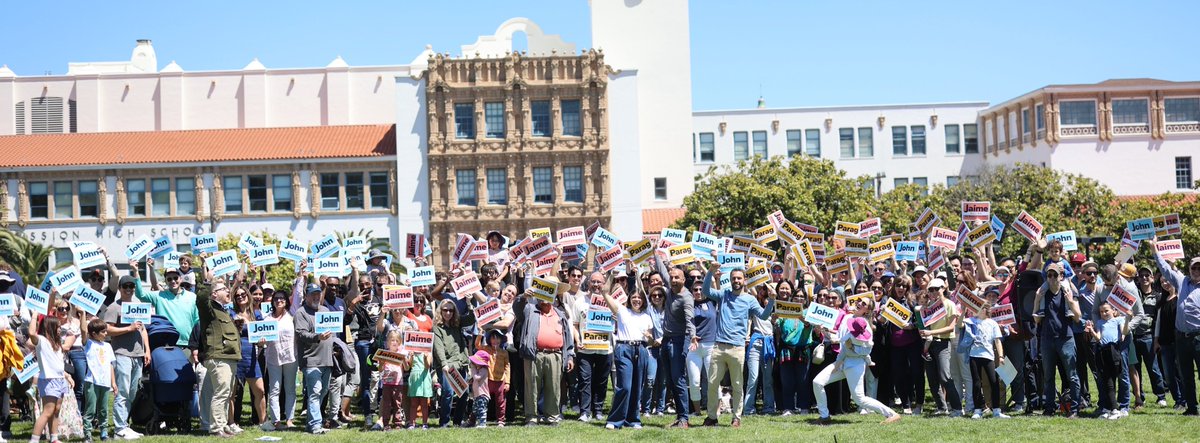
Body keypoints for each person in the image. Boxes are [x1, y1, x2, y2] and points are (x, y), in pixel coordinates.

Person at [700, 262, 775, 428]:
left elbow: (763, 316)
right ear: (730, 280)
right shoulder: (724, 294)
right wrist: (710, 271)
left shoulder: (750, 300)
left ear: (744, 280)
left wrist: (771, 300)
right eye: (733, 278)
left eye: (739, 278)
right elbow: (706, 291)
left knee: (737, 384)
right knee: (712, 383)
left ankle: (736, 417)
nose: (736, 281)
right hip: (719, 346)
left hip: (737, 348)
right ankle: (712, 417)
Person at [812, 296, 901, 424]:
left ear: (867, 310)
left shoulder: (866, 326)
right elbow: (838, 337)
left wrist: (852, 347)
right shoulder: (847, 317)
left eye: (864, 303)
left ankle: (892, 414)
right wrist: (824, 330)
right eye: (859, 301)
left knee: (859, 399)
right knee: (818, 382)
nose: (859, 303)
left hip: (855, 364)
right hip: (841, 361)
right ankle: (824, 416)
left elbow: (867, 350)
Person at [1147, 242, 1200, 416]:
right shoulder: (1182, 281)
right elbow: (1165, 269)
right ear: (1189, 268)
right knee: (1186, 375)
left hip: (1198, 337)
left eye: (1199, 268)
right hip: (1181, 338)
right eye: (1194, 268)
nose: (1196, 271)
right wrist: (1154, 250)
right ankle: (1192, 408)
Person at [518, 279, 576, 426]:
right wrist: (523, 297)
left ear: (555, 295)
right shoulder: (530, 309)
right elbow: (517, 307)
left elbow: (567, 336)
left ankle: (552, 416)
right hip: (534, 354)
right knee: (531, 387)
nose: (545, 296)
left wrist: (569, 356)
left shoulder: (560, 313)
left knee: (554, 387)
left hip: (555, 355)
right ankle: (531, 417)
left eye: (550, 291)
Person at [602, 276, 654, 429]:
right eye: (634, 297)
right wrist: (611, 274)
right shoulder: (622, 311)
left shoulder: (646, 317)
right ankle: (614, 420)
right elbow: (605, 292)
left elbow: (651, 341)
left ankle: (633, 420)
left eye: (640, 297)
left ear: (643, 300)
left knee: (637, 387)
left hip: (641, 349)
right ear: (629, 298)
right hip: (624, 349)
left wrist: (650, 337)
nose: (637, 300)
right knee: (625, 386)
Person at [101, 275, 148, 441]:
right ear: (120, 289)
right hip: (122, 354)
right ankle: (119, 429)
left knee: (132, 392)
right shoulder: (114, 307)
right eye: (125, 286)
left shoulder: (138, 306)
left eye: (131, 286)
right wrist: (128, 328)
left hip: (138, 354)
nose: (129, 289)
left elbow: (143, 330)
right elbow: (107, 329)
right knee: (122, 391)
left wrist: (147, 350)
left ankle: (124, 425)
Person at [1032, 263, 1083, 417]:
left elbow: (1078, 317)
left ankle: (1075, 409)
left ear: (1061, 276)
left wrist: (1071, 302)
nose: (1052, 278)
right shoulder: (1043, 294)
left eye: (1055, 275)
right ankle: (1049, 409)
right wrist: (1037, 299)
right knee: (1048, 377)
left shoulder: (1067, 292)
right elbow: (1037, 320)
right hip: (1047, 339)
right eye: (1049, 275)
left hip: (1066, 339)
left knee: (1072, 376)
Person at [197, 279, 242, 438]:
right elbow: (201, 298)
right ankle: (216, 428)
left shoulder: (223, 310)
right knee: (221, 393)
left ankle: (222, 425)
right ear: (214, 294)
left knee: (226, 393)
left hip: (229, 357)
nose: (228, 291)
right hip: (219, 357)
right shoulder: (209, 309)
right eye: (224, 289)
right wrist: (207, 282)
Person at [653, 258, 694, 428]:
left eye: (677, 277)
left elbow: (690, 319)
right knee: (670, 381)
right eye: (672, 278)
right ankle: (679, 417)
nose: (674, 280)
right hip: (666, 340)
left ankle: (684, 418)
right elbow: (663, 271)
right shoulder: (670, 290)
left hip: (679, 341)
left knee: (678, 379)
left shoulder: (686, 298)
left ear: (684, 279)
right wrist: (655, 253)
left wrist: (693, 336)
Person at [918, 278, 963, 417]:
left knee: (945, 376)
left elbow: (951, 327)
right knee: (932, 379)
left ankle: (957, 408)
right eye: (930, 290)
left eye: (936, 289)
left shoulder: (950, 304)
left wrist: (931, 333)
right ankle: (942, 407)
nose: (933, 292)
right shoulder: (928, 306)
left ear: (943, 288)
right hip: (929, 343)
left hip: (943, 343)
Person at [295, 283, 335, 434]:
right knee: (315, 392)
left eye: (318, 293)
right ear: (306, 296)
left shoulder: (325, 310)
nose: (316, 297)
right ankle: (316, 425)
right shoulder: (301, 313)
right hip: (310, 360)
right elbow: (301, 334)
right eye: (312, 294)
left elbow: (334, 331)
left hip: (327, 359)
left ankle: (310, 423)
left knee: (323, 391)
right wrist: (317, 337)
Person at [574, 272, 613, 423]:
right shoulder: (579, 302)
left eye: (599, 282)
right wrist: (577, 340)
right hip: (585, 348)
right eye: (593, 281)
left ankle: (598, 410)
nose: (596, 285)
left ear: (604, 284)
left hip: (605, 348)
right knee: (585, 380)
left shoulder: (609, 301)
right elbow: (575, 325)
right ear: (588, 283)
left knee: (601, 381)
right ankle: (585, 411)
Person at [133, 261, 199, 349]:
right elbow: (140, 294)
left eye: (175, 278)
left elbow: (196, 320)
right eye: (169, 279)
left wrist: (195, 345)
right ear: (166, 281)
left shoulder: (192, 297)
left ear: (181, 279)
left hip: (187, 344)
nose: (173, 281)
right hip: (165, 344)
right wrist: (135, 271)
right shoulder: (159, 296)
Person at [30, 307, 72, 443]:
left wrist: (67, 376)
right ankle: (34, 440)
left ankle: (54, 438)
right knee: (48, 411)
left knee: (56, 410)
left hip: (60, 379)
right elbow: (31, 333)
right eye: (58, 327)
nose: (60, 329)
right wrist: (35, 316)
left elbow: (57, 365)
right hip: (48, 380)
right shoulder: (41, 341)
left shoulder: (58, 344)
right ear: (50, 327)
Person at [962, 302, 1010, 419]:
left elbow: (997, 341)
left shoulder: (992, 323)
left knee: (994, 381)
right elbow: (959, 325)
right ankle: (977, 410)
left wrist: (1001, 356)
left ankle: (996, 410)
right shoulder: (971, 321)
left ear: (985, 310)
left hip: (988, 356)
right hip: (974, 355)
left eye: (980, 307)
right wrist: (963, 311)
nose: (977, 309)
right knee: (977, 383)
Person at [1086, 302, 1133, 419]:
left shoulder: (1118, 320)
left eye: (1106, 310)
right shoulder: (1100, 322)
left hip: (1114, 351)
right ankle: (1110, 408)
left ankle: (1115, 409)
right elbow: (1098, 338)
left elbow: (1124, 333)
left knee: (1112, 380)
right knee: (1107, 381)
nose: (1104, 313)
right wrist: (1091, 330)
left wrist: (1127, 319)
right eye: (1101, 312)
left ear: (1113, 311)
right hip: (1103, 352)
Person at [433, 299, 474, 427]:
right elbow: (438, 347)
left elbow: (471, 319)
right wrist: (444, 364)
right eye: (445, 310)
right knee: (448, 393)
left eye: (451, 310)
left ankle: (457, 421)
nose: (448, 313)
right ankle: (444, 422)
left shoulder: (457, 323)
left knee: (464, 393)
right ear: (440, 311)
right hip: (447, 365)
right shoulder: (437, 328)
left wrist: (469, 303)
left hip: (460, 363)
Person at [775, 280, 813, 416]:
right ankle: (788, 408)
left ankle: (804, 407)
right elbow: (777, 324)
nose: (799, 299)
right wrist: (774, 319)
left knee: (803, 380)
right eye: (796, 296)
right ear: (792, 298)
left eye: (802, 297)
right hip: (787, 349)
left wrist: (803, 319)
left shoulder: (809, 312)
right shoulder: (785, 311)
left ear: (805, 299)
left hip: (803, 350)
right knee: (787, 381)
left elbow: (809, 326)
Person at [261, 291, 297, 431]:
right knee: (274, 390)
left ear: (286, 301)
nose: (279, 301)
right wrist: (261, 341)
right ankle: (276, 421)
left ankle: (289, 419)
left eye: (282, 298)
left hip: (290, 356)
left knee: (290, 389)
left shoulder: (292, 316)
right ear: (272, 301)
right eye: (276, 298)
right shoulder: (267, 319)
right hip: (273, 357)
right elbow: (261, 340)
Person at [82, 318, 116, 442]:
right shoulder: (89, 344)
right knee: (90, 409)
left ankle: (104, 433)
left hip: (105, 382)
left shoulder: (108, 346)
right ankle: (87, 434)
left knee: (103, 409)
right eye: (103, 332)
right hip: (92, 381)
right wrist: (83, 314)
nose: (106, 333)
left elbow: (110, 365)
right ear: (94, 334)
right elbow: (83, 330)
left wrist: (113, 382)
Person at [474, 330, 510, 427]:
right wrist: (480, 335)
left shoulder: (504, 352)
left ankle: (501, 421)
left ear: (501, 340)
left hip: (500, 380)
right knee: (481, 399)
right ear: (489, 340)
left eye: (497, 338)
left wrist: (507, 382)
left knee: (501, 401)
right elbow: (477, 345)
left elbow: (507, 367)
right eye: (493, 338)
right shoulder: (486, 349)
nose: (495, 341)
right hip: (488, 380)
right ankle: (473, 419)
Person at [378, 330, 409, 430]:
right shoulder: (384, 353)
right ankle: (386, 423)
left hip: (398, 383)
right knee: (386, 403)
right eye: (392, 340)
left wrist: (404, 361)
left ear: (400, 342)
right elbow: (380, 369)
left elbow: (407, 368)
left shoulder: (402, 353)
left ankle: (397, 422)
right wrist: (381, 363)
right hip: (387, 382)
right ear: (388, 342)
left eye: (397, 340)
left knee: (397, 403)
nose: (394, 342)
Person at [407, 348, 434, 429]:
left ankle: (425, 423)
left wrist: (425, 357)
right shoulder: (411, 351)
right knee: (413, 403)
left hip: (424, 377)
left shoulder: (428, 351)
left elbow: (427, 366)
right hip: (414, 377)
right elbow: (410, 365)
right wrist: (411, 357)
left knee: (424, 403)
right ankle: (412, 423)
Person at [468, 350, 492, 428]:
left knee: (481, 409)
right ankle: (471, 422)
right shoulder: (478, 370)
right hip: (477, 395)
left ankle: (482, 424)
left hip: (482, 395)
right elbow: (474, 379)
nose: (473, 363)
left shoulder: (484, 370)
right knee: (475, 410)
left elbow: (477, 377)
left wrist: (473, 368)